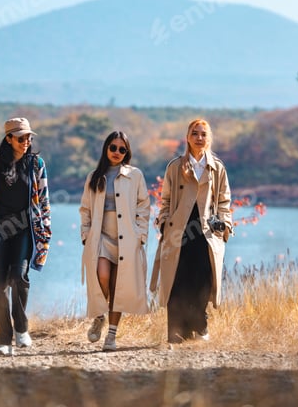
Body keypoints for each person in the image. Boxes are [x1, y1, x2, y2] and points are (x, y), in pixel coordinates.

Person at [0, 117, 51, 356]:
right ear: (8, 138)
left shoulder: (37, 164)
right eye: (21, 137)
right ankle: (4, 338)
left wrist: (45, 229)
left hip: (24, 229)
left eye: (29, 137)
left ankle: (21, 327)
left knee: (19, 275)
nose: (27, 141)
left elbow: (43, 199)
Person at [150, 118, 232, 345]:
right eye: (195, 133)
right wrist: (164, 222)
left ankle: (200, 324)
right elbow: (165, 201)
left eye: (203, 134)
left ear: (209, 138)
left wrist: (224, 225)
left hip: (205, 232)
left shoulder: (217, 168)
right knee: (178, 281)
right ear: (187, 137)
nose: (199, 138)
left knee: (204, 280)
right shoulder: (175, 167)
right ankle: (177, 332)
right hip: (179, 231)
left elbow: (224, 201)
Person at [80, 131, 150, 351]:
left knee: (118, 287)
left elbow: (144, 207)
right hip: (100, 237)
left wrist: (141, 234)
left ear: (127, 152)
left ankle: (111, 335)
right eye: (113, 147)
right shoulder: (94, 176)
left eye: (122, 149)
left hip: (127, 239)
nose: (117, 152)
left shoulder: (135, 175)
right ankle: (99, 315)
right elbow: (85, 209)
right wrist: (85, 234)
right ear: (106, 148)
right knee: (102, 275)